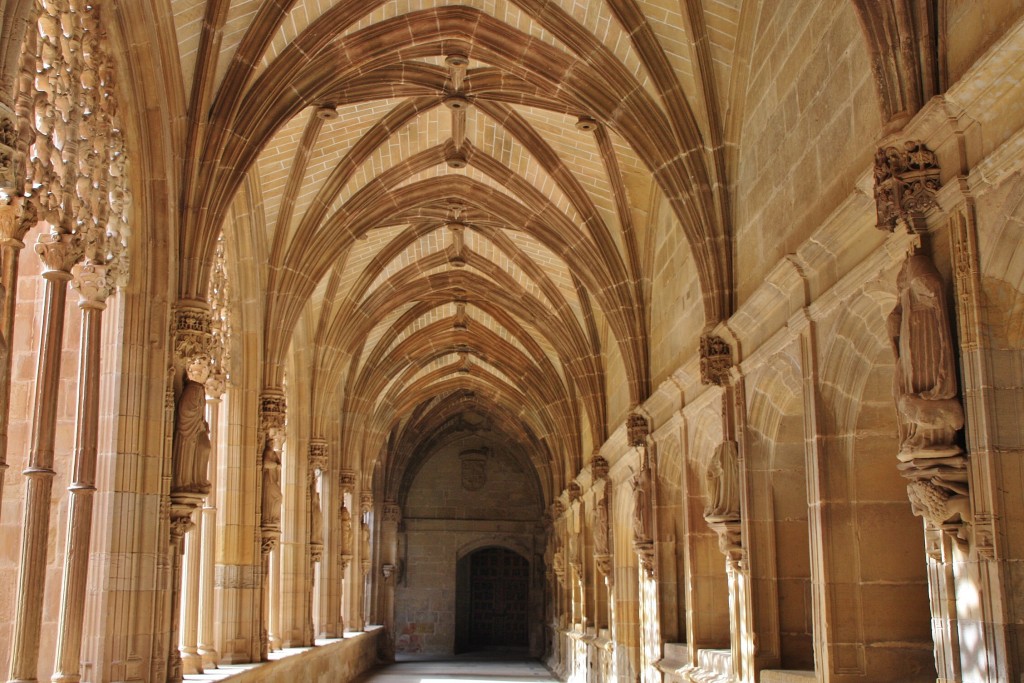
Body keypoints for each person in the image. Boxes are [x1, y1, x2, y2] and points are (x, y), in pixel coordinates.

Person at [888, 252, 964, 460]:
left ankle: (935, 436)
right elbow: (897, 310)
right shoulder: (904, 293)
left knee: (925, 377)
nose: (905, 274)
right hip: (910, 336)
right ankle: (918, 433)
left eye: (908, 271)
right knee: (906, 383)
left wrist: (919, 288)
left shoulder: (922, 276)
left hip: (926, 333)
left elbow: (933, 288)